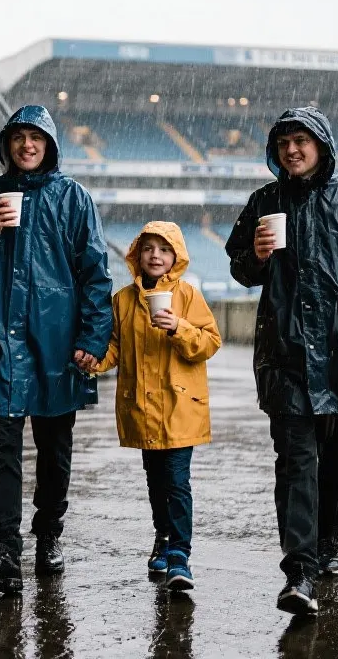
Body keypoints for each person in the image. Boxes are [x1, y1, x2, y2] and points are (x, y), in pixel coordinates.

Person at [224, 106, 338, 615]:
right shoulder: (264, 201)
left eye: (301, 141)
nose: (292, 150)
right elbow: (240, 268)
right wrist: (256, 256)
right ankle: (298, 571)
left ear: (321, 145)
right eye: (283, 143)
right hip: (285, 353)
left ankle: (330, 539)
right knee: (296, 461)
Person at [0, 105, 113, 595]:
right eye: (18, 137)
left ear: (49, 145)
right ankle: (3, 552)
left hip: (58, 346)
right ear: (7, 145)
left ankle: (49, 535)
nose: (27, 145)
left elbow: (96, 274)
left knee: (54, 449)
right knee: (1, 448)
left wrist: (91, 339)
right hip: (2, 343)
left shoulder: (74, 199)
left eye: (35, 137)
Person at [92, 221, 222, 591]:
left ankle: (180, 554)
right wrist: (94, 362)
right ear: (137, 254)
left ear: (175, 258)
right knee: (155, 482)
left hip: (180, 407)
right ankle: (163, 537)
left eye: (164, 250)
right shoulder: (123, 300)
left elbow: (210, 343)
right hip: (143, 409)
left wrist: (178, 328)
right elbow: (115, 348)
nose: (155, 255)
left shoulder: (188, 296)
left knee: (177, 482)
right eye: (148, 248)